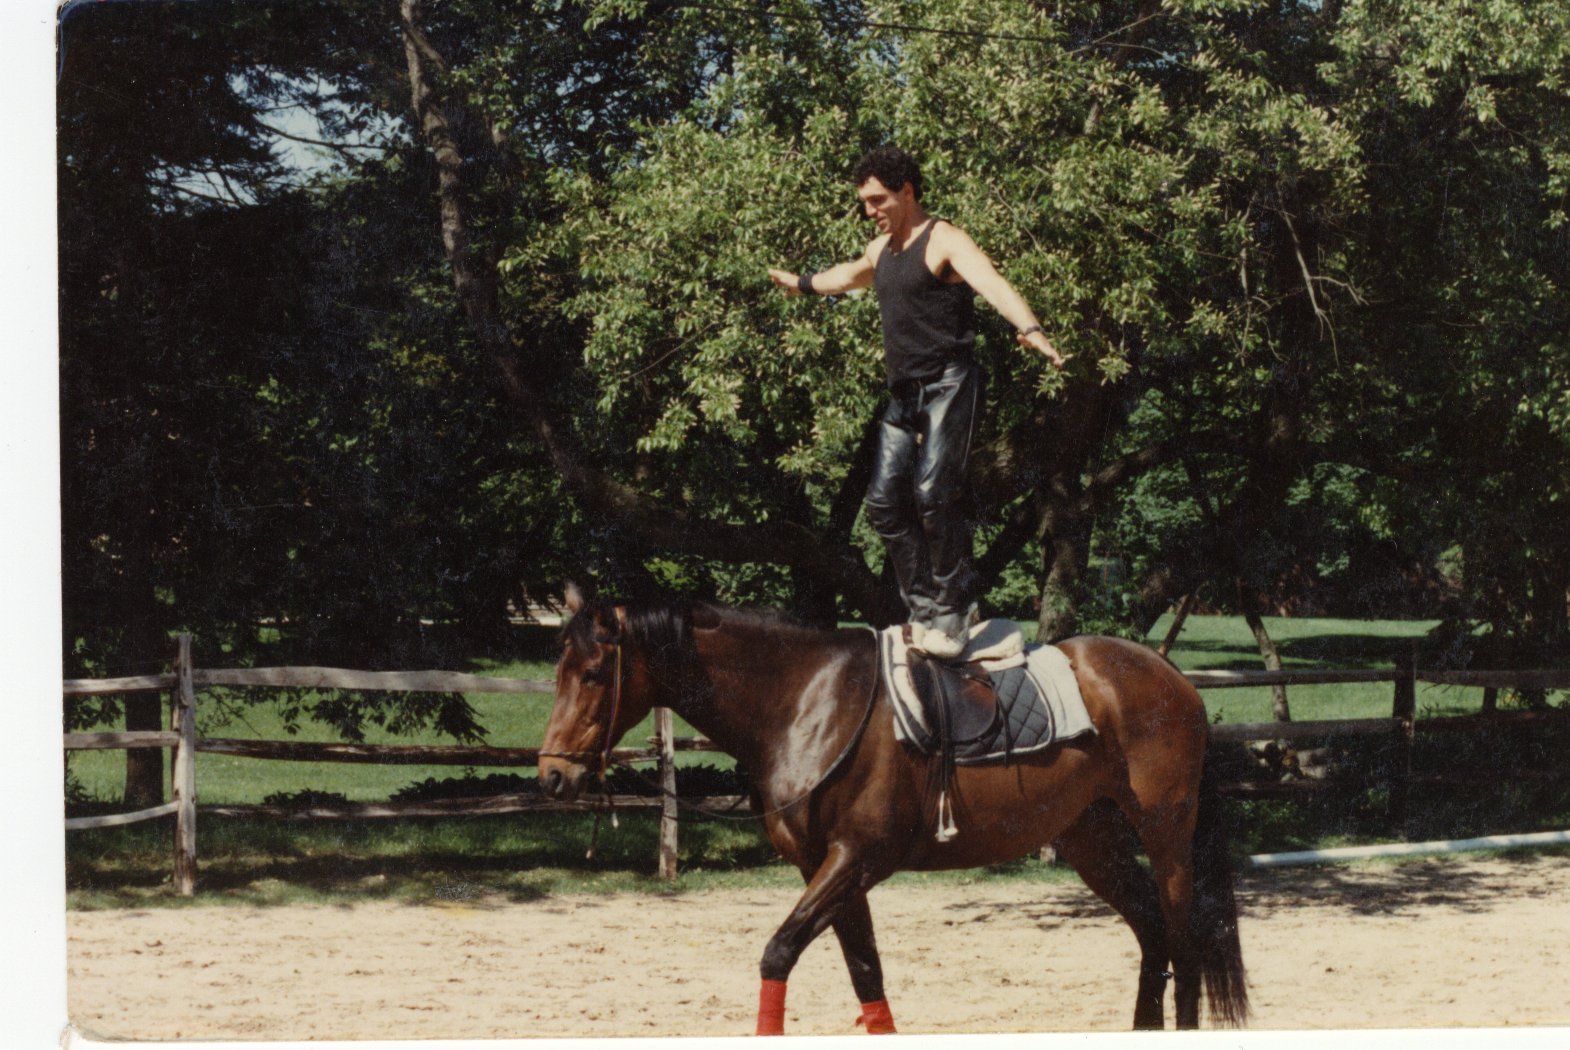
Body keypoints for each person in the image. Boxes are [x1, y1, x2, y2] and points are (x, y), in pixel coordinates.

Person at [769, 146, 1068, 659]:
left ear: (907, 191)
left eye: (878, 199)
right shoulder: (880, 249)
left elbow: (992, 282)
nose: (870, 210)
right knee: (883, 504)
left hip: (951, 384)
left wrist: (1031, 328)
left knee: (932, 493)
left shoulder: (944, 239)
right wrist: (800, 283)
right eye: (864, 202)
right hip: (904, 394)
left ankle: (955, 609)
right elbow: (843, 277)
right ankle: (926, 610)